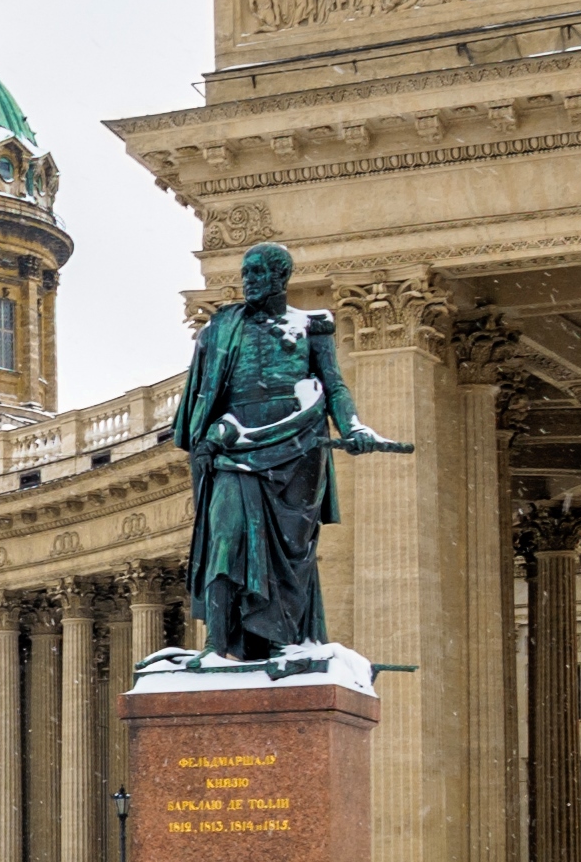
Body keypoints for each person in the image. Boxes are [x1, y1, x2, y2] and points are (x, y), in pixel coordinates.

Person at [167, 241, 410, 661]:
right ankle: (215, 645)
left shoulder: (312, 327)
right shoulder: (221, 328)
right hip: (235, 446)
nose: (249, 282)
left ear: (281, 277)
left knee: (289, 552)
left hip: (297, 450)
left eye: (258, 273)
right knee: (225, 538)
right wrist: (210, 432)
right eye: (245, 274)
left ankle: (282, 638)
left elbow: (334, 386)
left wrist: (353, 426)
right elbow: (205, 396)